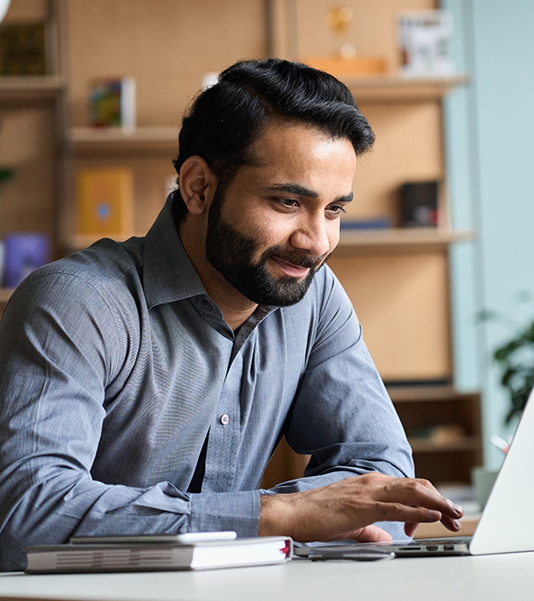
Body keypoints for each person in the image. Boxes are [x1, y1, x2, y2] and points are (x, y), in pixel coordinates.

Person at [0, 59, 462, 571]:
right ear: (198, 187)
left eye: (334, 210)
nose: (317, 243)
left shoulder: (314, 296)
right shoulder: (76, 302)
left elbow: (384, 474)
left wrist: (294, 516)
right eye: (288, 202)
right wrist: (276, 515)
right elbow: (29, 514)